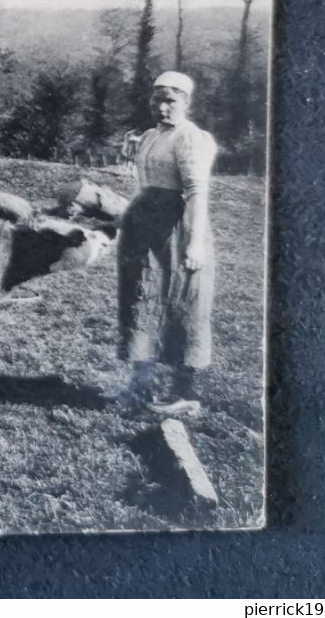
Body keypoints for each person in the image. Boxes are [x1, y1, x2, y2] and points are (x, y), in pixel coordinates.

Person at [109, 70, 217, 415]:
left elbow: (197, 191)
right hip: (144, 230)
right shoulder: (150, 136)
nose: (163, 107)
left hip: (176, 229)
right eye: (157, 99)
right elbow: (145, 182)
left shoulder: (190, 138)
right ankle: (139, 388)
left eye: (171, 100)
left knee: (182, 305)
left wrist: (195, 243)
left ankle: (184, 394)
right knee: (143, 300)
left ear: (186, 103)